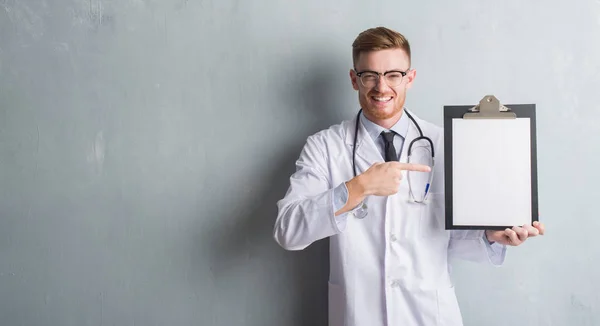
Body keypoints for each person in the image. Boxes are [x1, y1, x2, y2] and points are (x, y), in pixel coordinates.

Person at [273, 26, 545, 326]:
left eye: (393, 75)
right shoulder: (325, 146)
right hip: (360, 315)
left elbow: (451, 237)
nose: (381, 87)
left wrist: (490, 237)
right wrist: (356, 188)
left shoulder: (445, 143)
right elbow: (288, 231)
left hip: (428, 315)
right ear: (354, 80)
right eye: (369, 75)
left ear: (409, 78)